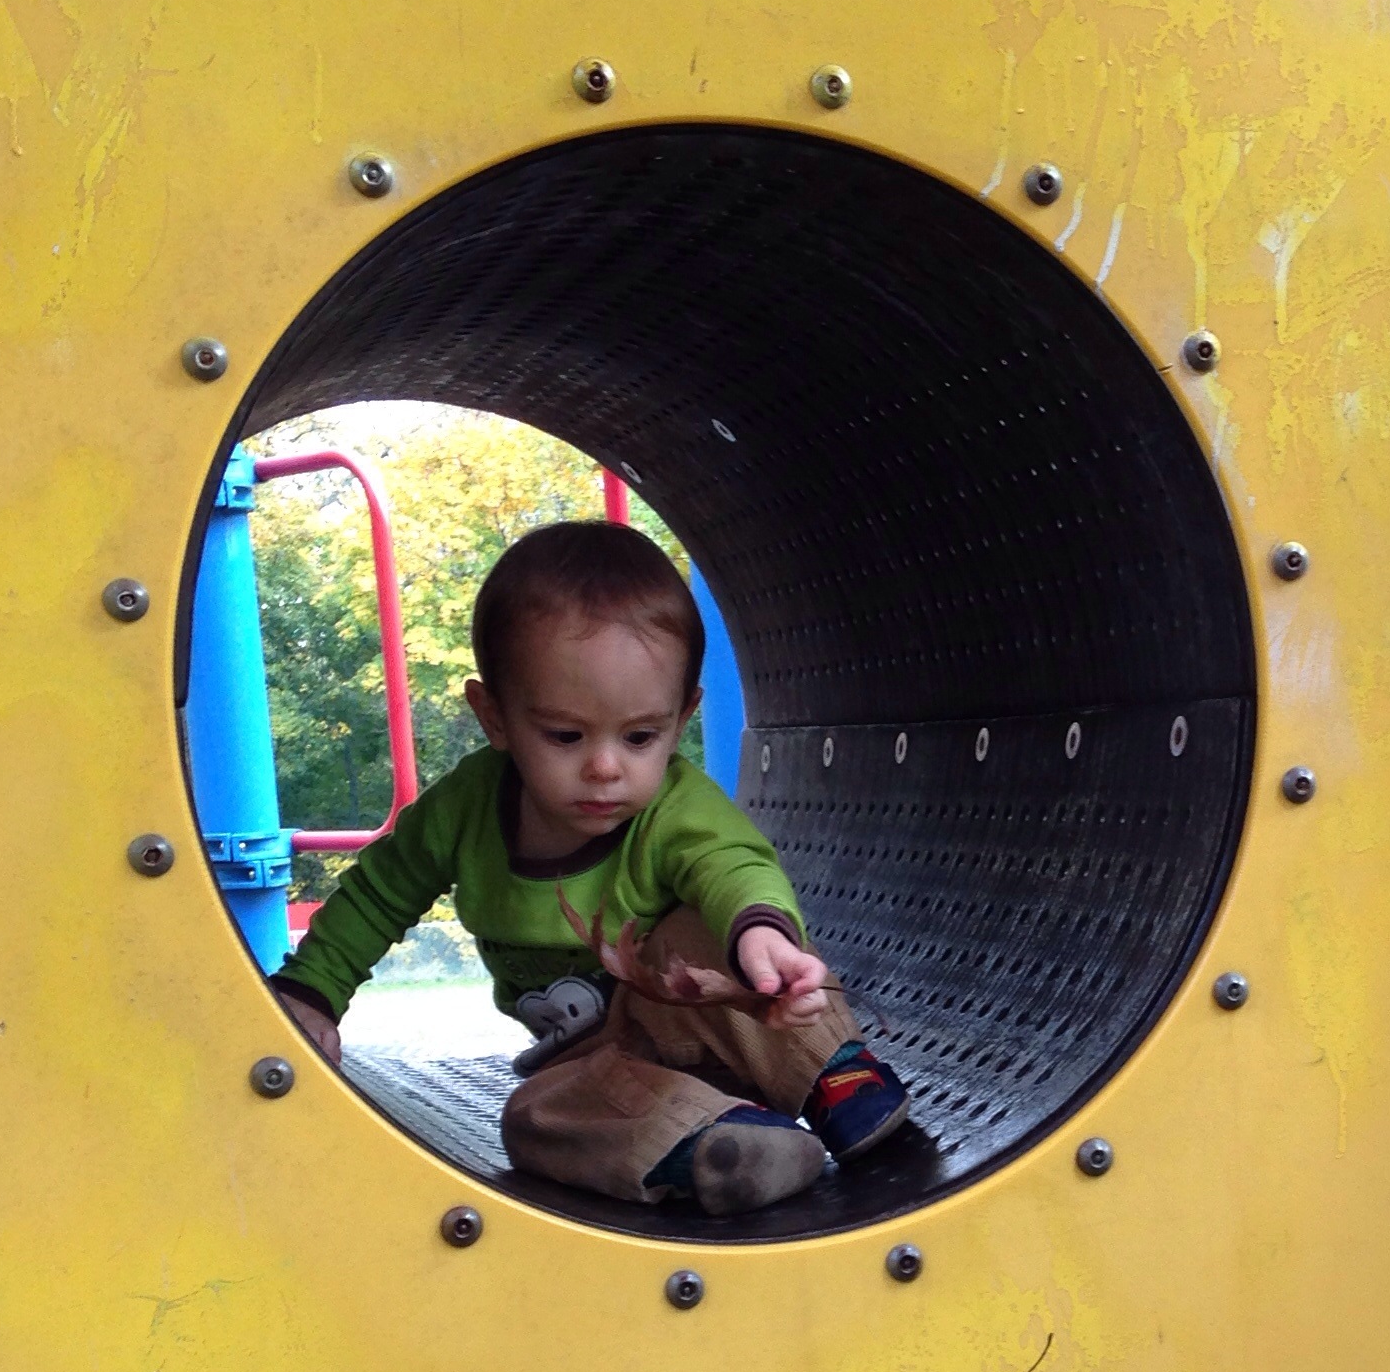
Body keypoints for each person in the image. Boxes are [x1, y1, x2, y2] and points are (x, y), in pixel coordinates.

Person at [270, 519, 910, 1213]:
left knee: (714, 936)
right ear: (495, 717)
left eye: (640, 737)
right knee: (532, 1114)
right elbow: (379, 894)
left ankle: (834, 1075)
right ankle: (716, 1144)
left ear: (682, 717)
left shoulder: (674, 805)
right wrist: (313, 993)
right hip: (599, 1068)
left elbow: (731, 864)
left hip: (706, 1019)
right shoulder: (465, 811)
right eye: (566, 735)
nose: (605, 766)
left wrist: (763, 935)